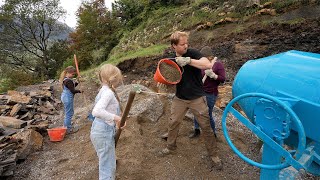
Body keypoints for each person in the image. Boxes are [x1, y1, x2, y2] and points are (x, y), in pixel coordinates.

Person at [159, 31, 222, 170]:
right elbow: (171, 79)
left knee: (206, 126)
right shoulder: (171, 61)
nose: (186, 46)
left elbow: (207, 64)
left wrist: (188, 61)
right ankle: (170, 147)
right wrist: (164, 82)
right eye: (182, 44)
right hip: (180, 98)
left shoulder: (192, 53)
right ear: (174, 46)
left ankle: (214, 156)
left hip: (197, 98)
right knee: (173, 122)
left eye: (187, 43)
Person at [90, 64, 124, 180]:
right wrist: (117, 118)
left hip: (99, 130)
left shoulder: (104, 90)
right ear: (113, 79)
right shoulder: (108, 93)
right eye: (117, 78)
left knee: (106, 162)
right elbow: (96, 111)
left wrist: (116, 121)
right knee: (107, 168)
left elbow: (106, 111)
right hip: (103, 133)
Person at [189, 46, 226, 138]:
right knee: (197, 112)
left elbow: (223, 79)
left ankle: (213, 134)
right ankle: (197, 130)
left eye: (205, 57)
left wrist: (214, 76)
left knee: (207, 114)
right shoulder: (202, 64)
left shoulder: (218, 65)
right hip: (199, 92)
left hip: (211, 93)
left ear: (210, 56)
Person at [59, 66, 81, 134]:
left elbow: (72, 86)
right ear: (68, 73)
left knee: (68, 113)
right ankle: (68, 129)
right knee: (69, 113)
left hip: (65, 97)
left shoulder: (65, 79)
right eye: (72, 74)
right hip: (67, 98)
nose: (73, 75)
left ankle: (66, 126)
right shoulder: (68, 81)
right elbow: (73, 90)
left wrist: (77, 81)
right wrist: (80, 91)